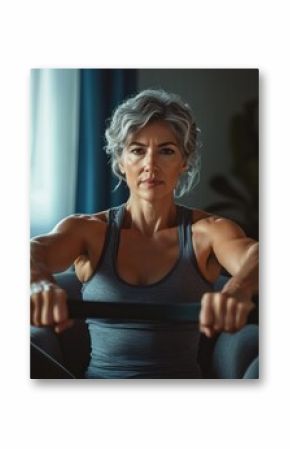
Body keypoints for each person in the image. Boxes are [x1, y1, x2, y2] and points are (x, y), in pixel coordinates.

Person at [30, 89, 258, 378]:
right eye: (137, 150)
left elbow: (258, 256)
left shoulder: (208, 233)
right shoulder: (89, 231)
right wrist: (38, 283)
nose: (151, 164)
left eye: (166, 150)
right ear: (121, 162)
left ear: (184, 161)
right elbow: (32, 250)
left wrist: (239, 290)